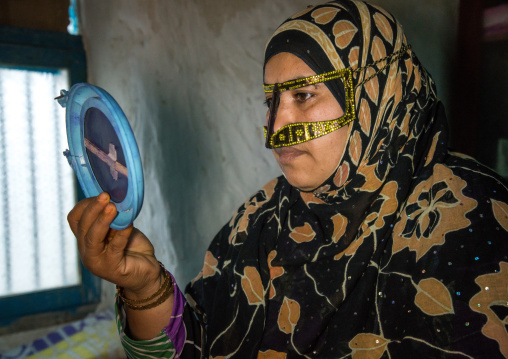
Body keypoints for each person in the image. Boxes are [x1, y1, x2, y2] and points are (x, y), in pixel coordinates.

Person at [68, 0, 508, 358]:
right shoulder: (262, 221)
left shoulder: (473, 222)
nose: (277, 126)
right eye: (270, 101)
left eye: (303, 94)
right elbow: (197, 344)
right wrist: (145, 287)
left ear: (378, 93)